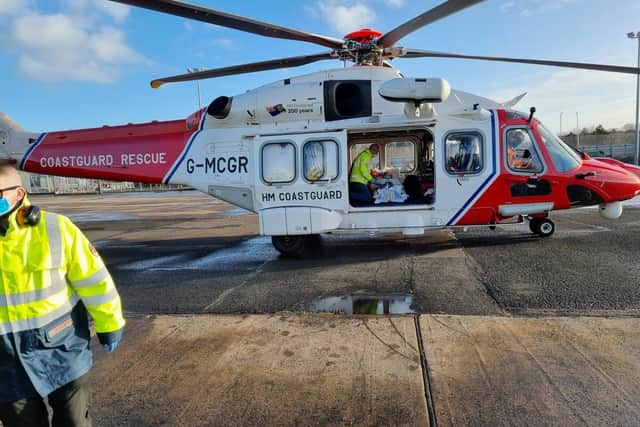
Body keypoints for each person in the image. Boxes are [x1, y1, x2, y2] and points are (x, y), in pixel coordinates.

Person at [0, 165, 125, 427]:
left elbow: (94, 280)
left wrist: (110, 323)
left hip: (61, 346)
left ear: (18, 193)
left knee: (74, 421)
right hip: (6, 360)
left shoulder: (57, 228)